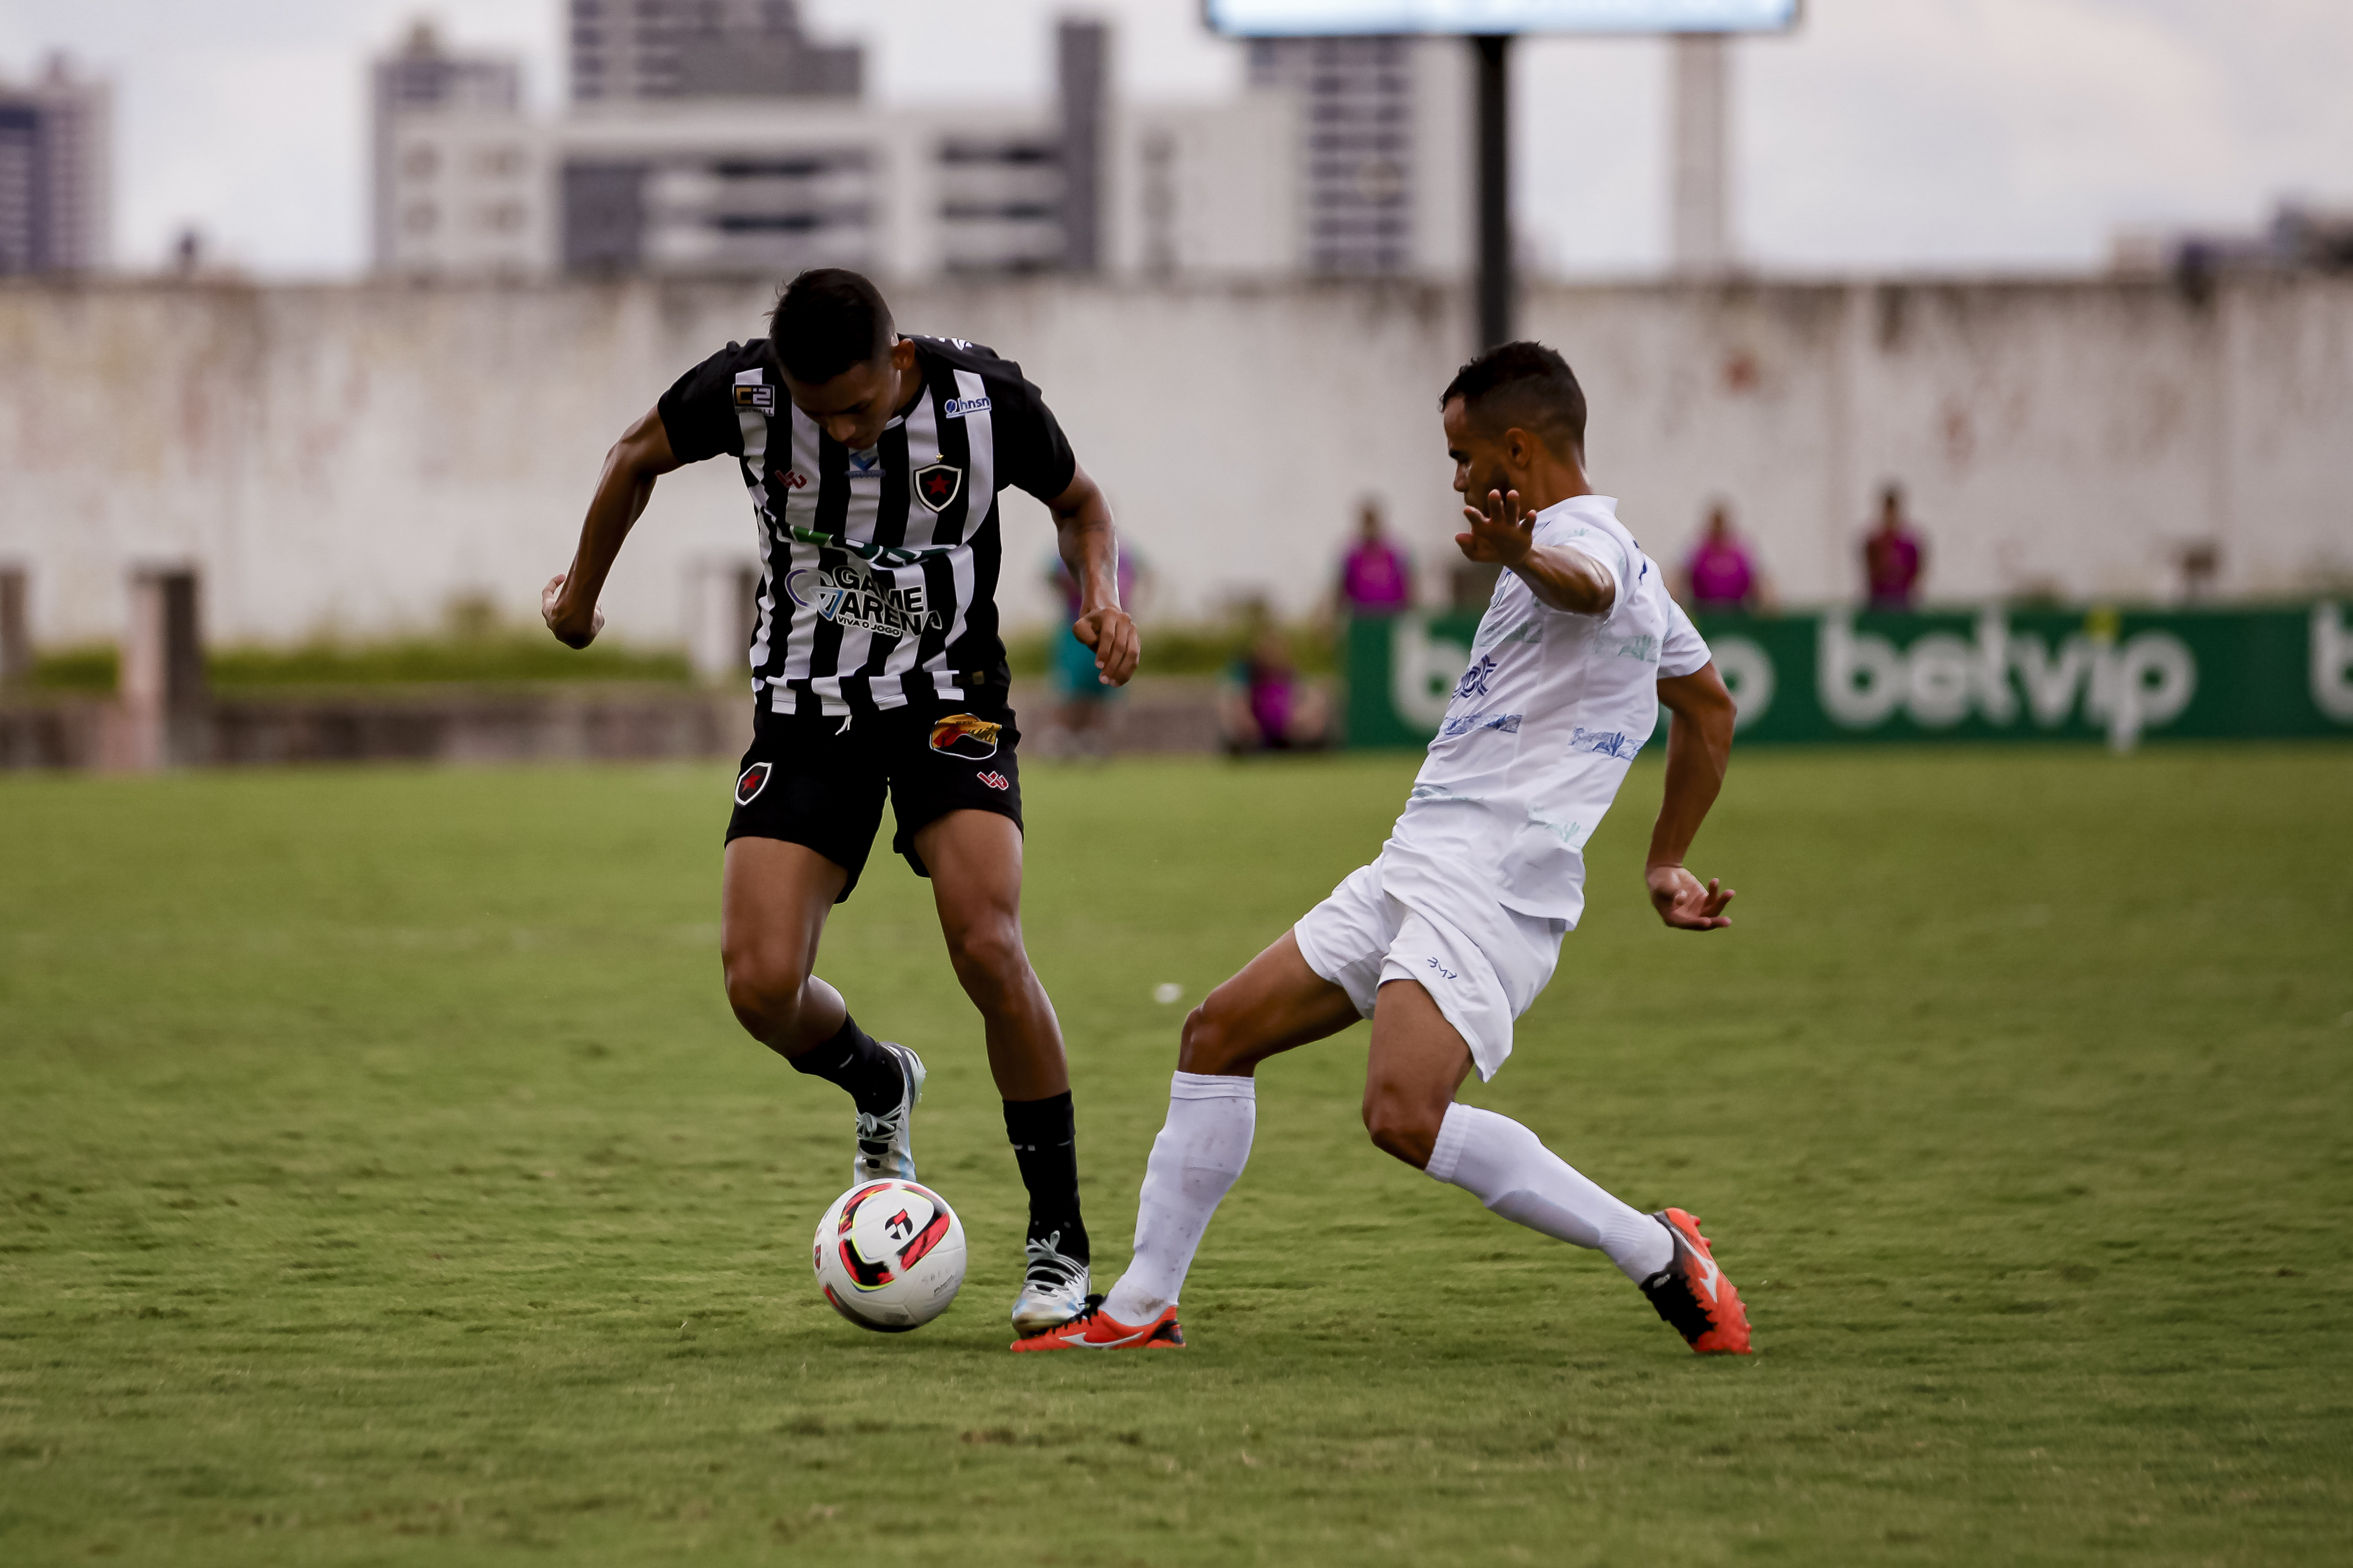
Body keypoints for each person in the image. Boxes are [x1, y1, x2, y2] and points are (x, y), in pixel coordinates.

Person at [1014, 342, 1751, 1357]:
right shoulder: (1625, 571)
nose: (1454, 478)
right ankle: (1141, 1309)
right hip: (1414, 864)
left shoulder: (1590, 547)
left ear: (1520, 447)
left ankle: (1657, 1251)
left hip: (1493, 884)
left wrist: (1523, 556)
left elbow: (1583, 586)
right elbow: (1707, 711)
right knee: (1216, 1036)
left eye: (1462, 457)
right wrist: (1664, 860)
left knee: (1403, 1114)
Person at [540, 268, 1140, 1334]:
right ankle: (879, 1082)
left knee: (988, 943)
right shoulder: (746, 397)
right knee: (760, 985)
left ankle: (1058, 1247)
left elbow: (1082, 505)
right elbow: (632, 456)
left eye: (861, 410)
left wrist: (1100, 597)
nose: (847, 437)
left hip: (950, 704)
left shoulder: (981, 403)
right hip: (807, 707)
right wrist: (579, 593)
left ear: (897, 358)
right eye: (823, 416)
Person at [1045, 545, 1141, 759]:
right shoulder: (1071, 547)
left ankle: (1094, 739)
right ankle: (1062, 738)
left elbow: (1134, 581)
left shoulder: (1123, 554)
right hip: (1078, 624)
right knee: (1071, 686)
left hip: (1111, 628)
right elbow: (1054, 577)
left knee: (1105, 682)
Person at [1219, 622, 1329, 753]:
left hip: (1286, 731)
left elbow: (1311, 695)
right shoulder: (1249, 672)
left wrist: (1302, 715)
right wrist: (1247, 721)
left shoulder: (1289, 673)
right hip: (1258, 731)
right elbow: (1237, 698)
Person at [1680, 502, 1763, 614]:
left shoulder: (1740, 552)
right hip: (1703, 611)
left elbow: (1757, 580)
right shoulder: (1696, 550)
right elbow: (1681, 578)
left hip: (1735, 611)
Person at [1337, 499, 1414, 617]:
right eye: (1367, 523)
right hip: (1362, 617)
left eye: (1372, 522)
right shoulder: (1353, 557)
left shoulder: (1393, 555)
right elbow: (1343, 591)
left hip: (1390, 616)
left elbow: (1406, 588)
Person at [1863, 483, 1925, 609]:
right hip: (1879, 604)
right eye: (1888, 511)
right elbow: (1870, 574)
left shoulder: (1909, 544)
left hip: (1904, 603)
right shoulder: (1874, 542)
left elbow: (1917, 573)